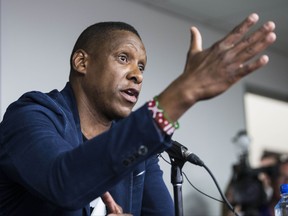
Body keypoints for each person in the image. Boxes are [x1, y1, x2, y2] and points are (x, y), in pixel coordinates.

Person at [0, 13, 276, 216]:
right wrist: (182, 92)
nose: (137, 75)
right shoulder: (31, 115)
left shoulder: (138, 151)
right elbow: (64, 183)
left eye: (142, 67)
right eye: (123, 58)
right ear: (82, 62)